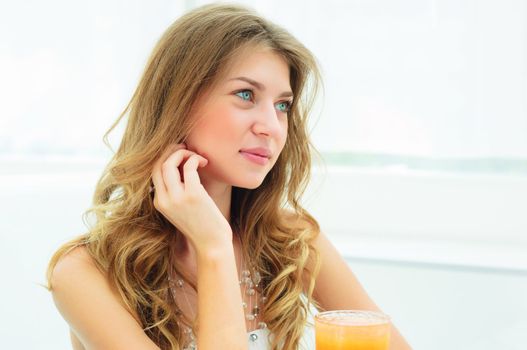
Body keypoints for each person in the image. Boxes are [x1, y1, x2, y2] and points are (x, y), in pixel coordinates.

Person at [46, 3, 411, 350]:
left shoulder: (292, 240)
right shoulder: (85, 272)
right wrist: (214, 245)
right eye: (245, 94)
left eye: (282, 105)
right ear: (179, 102)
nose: (272, 126)